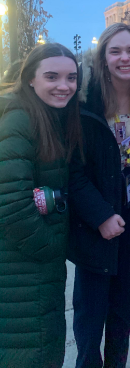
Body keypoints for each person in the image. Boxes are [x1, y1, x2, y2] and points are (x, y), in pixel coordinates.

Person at [68, 23, 130, 368]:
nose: (124, 58)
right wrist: (100, 215)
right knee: (90, 314)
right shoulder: (83, 100)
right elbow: (71, 170)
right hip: (94, 217)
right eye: (115, 51)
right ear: (103, 57)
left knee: (124, 309)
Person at [0, 43, 82, 367]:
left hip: (31, 267)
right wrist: (52, 247)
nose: (64, 86)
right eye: (52, 76)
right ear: (31, 79)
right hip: (22, 268)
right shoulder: (18, 119)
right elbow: (12, 207)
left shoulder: (45, 114)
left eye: (71, 78)